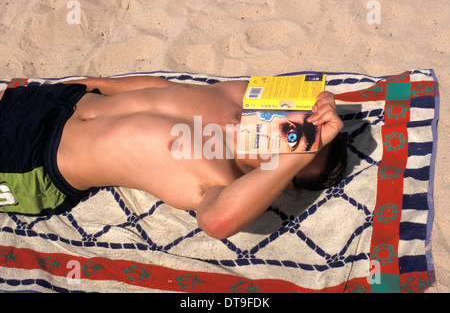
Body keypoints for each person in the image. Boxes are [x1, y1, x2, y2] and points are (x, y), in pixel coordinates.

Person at [0, 76, 346, 239]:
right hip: (52, 102)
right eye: (303, 128)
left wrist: (302, 154)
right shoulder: (242, 100)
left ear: (283, 174)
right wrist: (89, 85)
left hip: (32, 163)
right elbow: (163, 87)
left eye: (296, 146)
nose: (293, 134)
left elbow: (218, 223)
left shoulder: (218, 180)